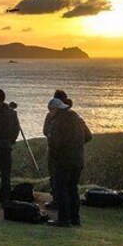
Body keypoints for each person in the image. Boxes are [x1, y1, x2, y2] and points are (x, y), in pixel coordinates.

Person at [44, 96, 92, 227]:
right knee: (73, 189)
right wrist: (77, 146)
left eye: (50, 110)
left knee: (61, 189)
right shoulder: (76, 119)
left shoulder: (57, 122)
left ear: (55, 109)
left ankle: (64, 219)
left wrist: (55, 157)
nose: (49, 113)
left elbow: (55, 143)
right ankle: (75, 218)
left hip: (63, 160)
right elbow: (88, 136)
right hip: (78, 159)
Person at [43, 89, 72, 209]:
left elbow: (45, 131)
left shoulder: (53, 116)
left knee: (56, 177)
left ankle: (58, 201)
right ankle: (62, 201)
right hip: (65, 152)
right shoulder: (72, 116)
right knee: (61, 178)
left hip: (57, 151)